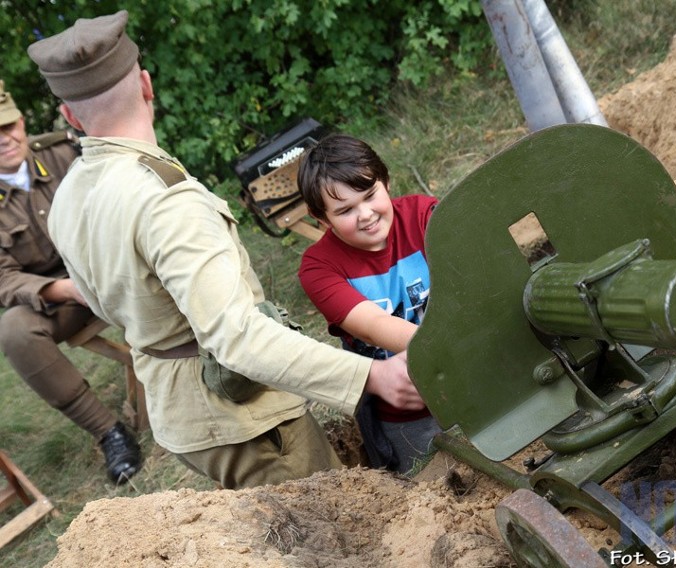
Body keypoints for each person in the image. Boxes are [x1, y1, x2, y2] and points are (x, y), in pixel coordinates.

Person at [27, 10, 425, 490]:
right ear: (148, 86)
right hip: (243, 418)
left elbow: (96, 300)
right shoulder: (168, 201)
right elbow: (236, 339)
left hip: (180, 414)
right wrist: (370, 377)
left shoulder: (69, 194)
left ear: (70, 115)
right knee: (345, 535)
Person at [0, 79, 141, 484]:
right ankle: (109, 432)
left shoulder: (66, 151)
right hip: (60, 298)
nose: (6, 138)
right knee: (14, 330)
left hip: (114, 268)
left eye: (9, 125)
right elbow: (4, 277)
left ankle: (214, 357)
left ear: (22, 122)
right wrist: (62, 290)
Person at [297, 134, 441, 474]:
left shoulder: (424, 215)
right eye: (345, 210)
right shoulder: (319, 268)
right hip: (407, 414)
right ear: (322, 218)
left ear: (386, 182)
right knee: (434, 490)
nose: (365, 215)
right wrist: (446, 348)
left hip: (475, 378)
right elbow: (375, 327)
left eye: (370, 195)